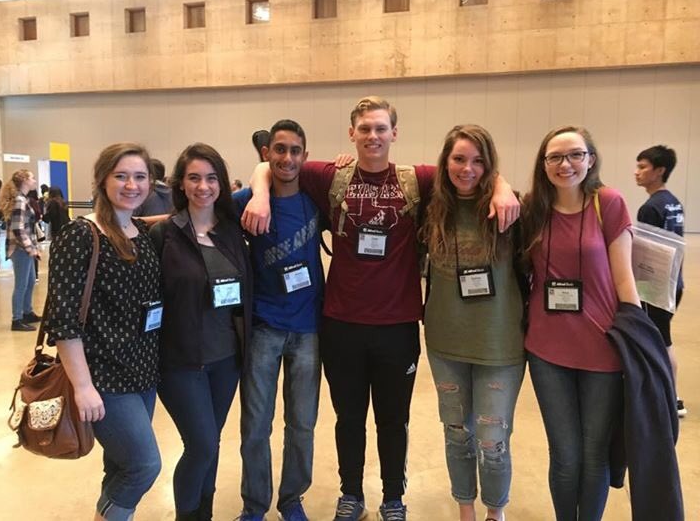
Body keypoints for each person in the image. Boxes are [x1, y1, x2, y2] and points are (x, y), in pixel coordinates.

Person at [241, 96, 519, 521]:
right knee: (347, 418)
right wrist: (259, 193)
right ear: (352, 134)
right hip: (341, 325)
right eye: (364, 129)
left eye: (380, 128)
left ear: (394, 133)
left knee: (394, 420)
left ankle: (393, 498)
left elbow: (467, 167)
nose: (373, 136)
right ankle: (350, 494)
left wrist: (500, 185)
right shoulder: (328, 176)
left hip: (398, 326)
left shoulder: (416, 178)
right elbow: (272, 163)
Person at [522, 126, 640, 521]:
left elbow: (625, 279)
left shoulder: (608, 203)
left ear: (590, 159)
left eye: (574, 154)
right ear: (543, 164)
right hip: (546, 350)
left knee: (594, 454)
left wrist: (643, 344)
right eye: (554, 157)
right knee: (565, 455)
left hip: (602, 349)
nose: (565, 164)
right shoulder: (533, 209)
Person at [43, 143, 163, 521]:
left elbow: (170, 219)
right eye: (121, 176)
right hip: (104, 377)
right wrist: (82, 386)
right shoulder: (81, 236)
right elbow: (62, 319)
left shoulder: (139, 231)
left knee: (120, 466)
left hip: (142, 371)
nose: (132, 184)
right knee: (144, 465)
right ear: (102, 179)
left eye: (140, 177)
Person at [422, 125, 525, 521]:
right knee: (456, 433)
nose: (468, 169)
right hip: (446, 342)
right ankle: (465, 509)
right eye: (459, 159)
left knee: (492, 439)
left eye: (479, 161)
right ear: (445, 162)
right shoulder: (430, 208)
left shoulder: (512, 209)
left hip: (499, 347)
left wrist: (501, 185)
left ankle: (494, 514)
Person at [150, 143, 252, 521]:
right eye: (194, 177)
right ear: (181, 183)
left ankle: (203, 514)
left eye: (211, 178)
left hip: (226, 359)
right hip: (181, 363)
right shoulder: (165, 235)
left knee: (211, 443)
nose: (203, 186)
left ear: (221, 184)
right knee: (201, 445)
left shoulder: (231, 233)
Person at [233, 120, 323, 521]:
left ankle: (292, 499)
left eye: (295, 150)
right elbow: (192, 214)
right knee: (256, 425)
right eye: (279, 149)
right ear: (267, 152)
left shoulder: (317, 200)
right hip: (264, 328)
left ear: (305, 155)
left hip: (308, 330)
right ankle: (255, 504)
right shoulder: (244, 202)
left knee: (302, 424)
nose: (287, 158)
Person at [634, 145, 686, 417]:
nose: (637, 172)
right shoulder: (674, 202)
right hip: (674, 283)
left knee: (660, 340)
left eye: (643, 167)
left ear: (660, 170)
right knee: (663, 338)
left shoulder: (650, 208)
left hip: (656, 287)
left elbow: (647, 256)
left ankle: (670, 396)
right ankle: (669, 394)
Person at [0, 170, 42, 331]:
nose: (34, 180)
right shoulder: (20, 201)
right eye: (32, 178)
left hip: (24, 248)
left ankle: (27, 312)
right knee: (21, 284)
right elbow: (18, 229)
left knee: (30, 282)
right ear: (24, 181)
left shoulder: (22, 199)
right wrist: (31, 249)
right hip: (20, 249)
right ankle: (17, 319)